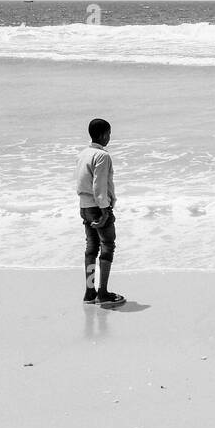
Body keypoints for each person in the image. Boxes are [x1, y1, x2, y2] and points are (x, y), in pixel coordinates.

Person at [76, 118, 125, 306]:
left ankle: (90, 292)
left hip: (85, 206)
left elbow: (82, 182)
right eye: (109, 134)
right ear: (104, 134)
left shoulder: (83, 154)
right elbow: (99, 186)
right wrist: (105, 211)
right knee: (107, 246)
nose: (110, 137)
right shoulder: (102, 156)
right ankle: (103, 293)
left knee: (91, 248)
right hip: (98, 207)